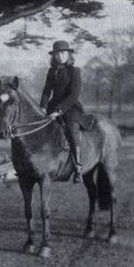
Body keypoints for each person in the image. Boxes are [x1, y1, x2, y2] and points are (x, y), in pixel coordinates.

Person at [40, 40, 85, 184]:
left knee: (71, 128)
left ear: (68, 54)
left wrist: (59, 111)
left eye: (63, 52)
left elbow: (74, 94)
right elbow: (47, 91)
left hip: (70, 107)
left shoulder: (74, 71)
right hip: (52, 107)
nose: (60, 56)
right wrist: (43, 107)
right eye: (57, 54)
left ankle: (78, 167)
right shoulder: (51, 71)